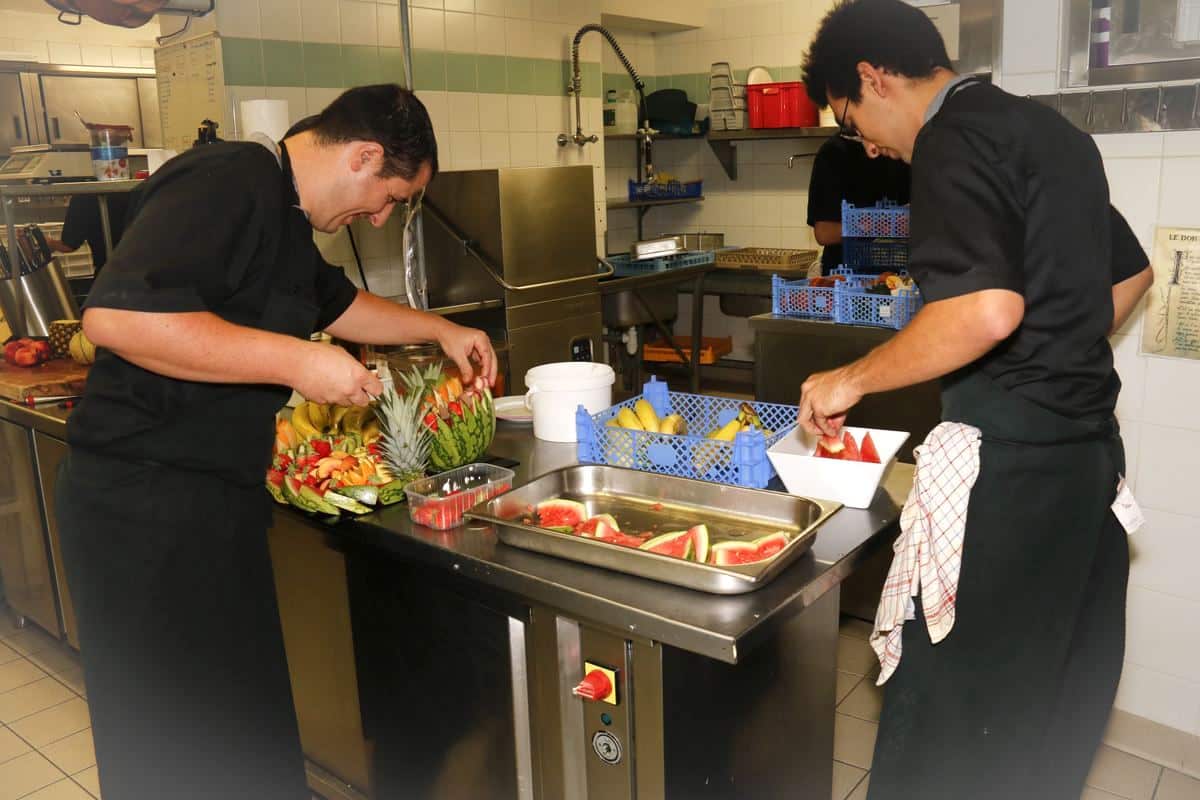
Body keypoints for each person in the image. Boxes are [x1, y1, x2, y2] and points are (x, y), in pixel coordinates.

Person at [54, 84, 496, 800]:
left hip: (208, 502)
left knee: (241, 736)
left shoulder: (287, 219)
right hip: (141, 513)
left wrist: (440, 330)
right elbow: (116, 319)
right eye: (389, 196)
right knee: (173, 748)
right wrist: (301, 361)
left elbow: (341, 304)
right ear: (363, 155)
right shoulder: (229, 180)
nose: (380, 217)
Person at [798, 2, 1153, 799]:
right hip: (1088, 473)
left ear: (872, 76)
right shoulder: (1050, 133)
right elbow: (1129, 275)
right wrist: (1056, 352)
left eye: (853, 122)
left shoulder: (949, 141)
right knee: (1044, 714)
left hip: (1012, 489)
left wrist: (847, 378)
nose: (866, 146)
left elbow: (985, 310)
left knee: (950, 732)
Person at [807, 133, 910, 274]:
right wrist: (880, 225)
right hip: (846, 279)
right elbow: (824, 233)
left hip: (898, 278)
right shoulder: (834, 153)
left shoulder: (898, 149)